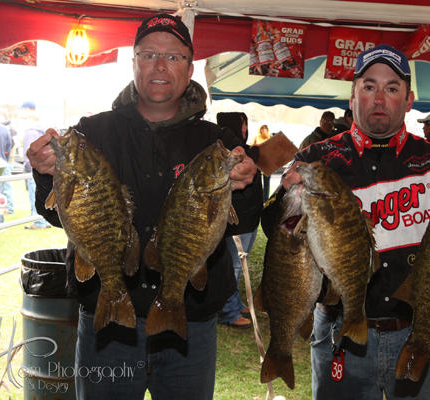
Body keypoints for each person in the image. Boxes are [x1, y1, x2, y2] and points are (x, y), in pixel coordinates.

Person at [27, 13, 262, 399]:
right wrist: (44, 175)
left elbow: (245, 220)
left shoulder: (217, 141)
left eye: (173, 56)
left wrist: (248, 186)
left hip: (190, 322)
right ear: (134, 63)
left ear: (190, 69)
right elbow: (57, 214)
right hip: (108, 324)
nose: (160, 65)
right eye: (149, 54)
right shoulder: (93, 132)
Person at [261, 44, 430, 400]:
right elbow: (272, 227)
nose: (379, 99)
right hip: (339, 333)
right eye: (369, 86)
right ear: (352, 97)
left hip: (420, 329)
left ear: (409, 100)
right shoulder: (315, 161)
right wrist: (284, 198)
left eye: (392, 88)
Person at [215, 112, 258, 329]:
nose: (245, 128)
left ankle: (235, 303)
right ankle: (228, 312)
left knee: (240, 263)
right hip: (236, 220)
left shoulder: (247, 151)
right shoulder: (224, 155)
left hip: (248, 218)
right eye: (242, 124)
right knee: (232, 265)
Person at [20, 101, 52, 230]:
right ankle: (45, 221)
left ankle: (39, 222)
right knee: (44, 196)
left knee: (35, 195)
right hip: (44, 169)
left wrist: (29, 168)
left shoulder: (30, 132)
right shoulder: (41, 130)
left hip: (34, 169)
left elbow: (28, 153)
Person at [252, 124, 272, 202]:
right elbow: (252, 147)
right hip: (259, 163)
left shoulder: (270, 138)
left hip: (268, 163)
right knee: (258, 183)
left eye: (265, 129)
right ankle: (259, 199)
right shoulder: (256, 138)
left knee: (267, 183)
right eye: (262, 129)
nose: (263, 130)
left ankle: (266, 199)